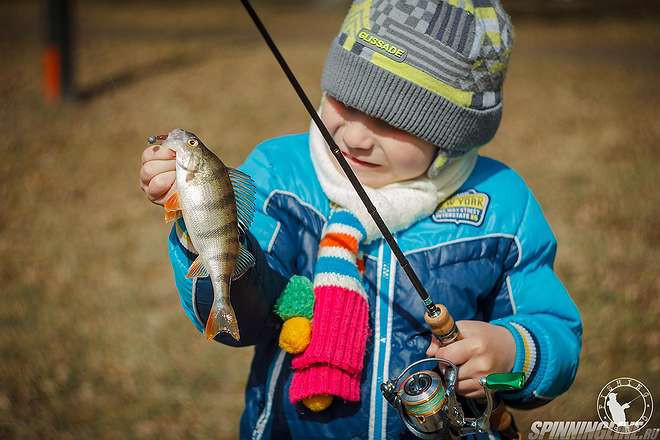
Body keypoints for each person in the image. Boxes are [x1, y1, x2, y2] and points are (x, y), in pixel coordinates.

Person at [139, 1, 582, 438]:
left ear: (450, 140)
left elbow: (553, 329)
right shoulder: (280, 173)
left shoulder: (501, 205)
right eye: (343, 101)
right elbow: (247, 318)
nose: (353, 136)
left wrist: (513, 353)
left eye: (392, 122)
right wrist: (196, 226)